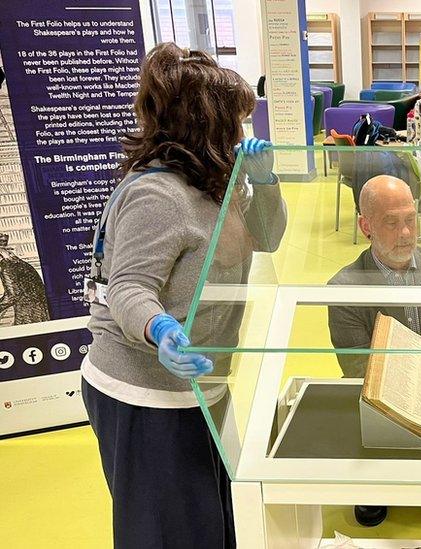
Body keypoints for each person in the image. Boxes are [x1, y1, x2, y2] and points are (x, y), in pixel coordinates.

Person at [81, 43, 286, 548]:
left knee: (214, 526)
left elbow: (270, 236)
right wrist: (161, 329)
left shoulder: (219, 183)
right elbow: (128, 286)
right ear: (205, 124)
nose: (241, 134)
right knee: (171, 534)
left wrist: (266, 183)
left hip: (203, 388)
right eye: (234, 122)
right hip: (144, 392)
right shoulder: (156, 194)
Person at [327, 175, 421, 527]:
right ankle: (388, 475)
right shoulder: (344, 287)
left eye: (411, 219)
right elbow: (357, 368)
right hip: (383, 406)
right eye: (391, 224)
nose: (407, 233)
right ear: (366, 226)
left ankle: (415, 472)